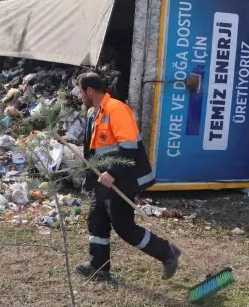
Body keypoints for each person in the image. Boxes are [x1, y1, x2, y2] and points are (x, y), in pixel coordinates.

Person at [74, 72, 180, 282]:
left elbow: (129, 146)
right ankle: (99, 268)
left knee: (124, 228)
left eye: (80, 92)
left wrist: (112, 172)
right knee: (96, 221)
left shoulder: (117, 109)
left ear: (89, 91)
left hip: (121, 178)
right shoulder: (93, 113)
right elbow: (97, 149)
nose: (79, 97)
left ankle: (167, 252)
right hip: (102, 180)